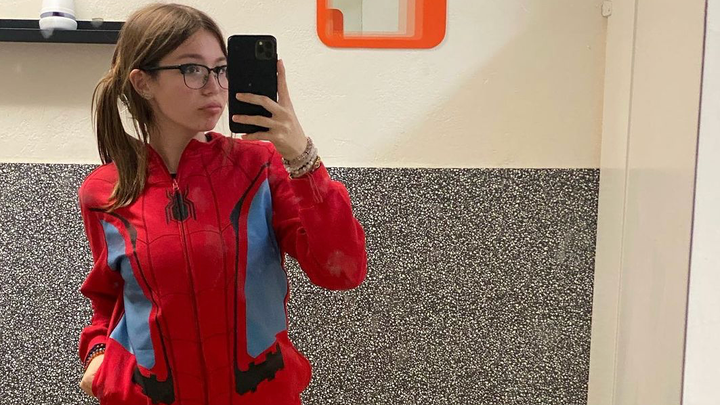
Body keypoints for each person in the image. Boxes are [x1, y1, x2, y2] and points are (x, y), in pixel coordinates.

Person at [76, 3, 367, 404]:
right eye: (192, 69)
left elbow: (342, 271)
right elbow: (109, 299)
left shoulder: (259, 168)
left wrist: (301, 156)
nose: (214, 86)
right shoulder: (105, 191)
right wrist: (98, 359)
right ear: (143, 83)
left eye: (221, 69)